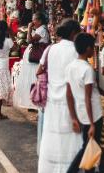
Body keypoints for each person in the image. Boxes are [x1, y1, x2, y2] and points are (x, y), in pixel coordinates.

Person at [38, 19, 83, 173]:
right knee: (71, 141)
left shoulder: (51, 49)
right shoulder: (76, 51)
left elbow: (40, 69)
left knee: (53, 139)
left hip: (52, 103)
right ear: (73, 33)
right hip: (71, 103)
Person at [66, 33, 104, 173]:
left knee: (89, 148)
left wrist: (74, 118)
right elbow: (88, 98)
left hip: (81, 114)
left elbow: (69, 95)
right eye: (92, 47)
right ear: (87, 48)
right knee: (89, 149)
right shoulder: (87, 69)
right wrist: (92, 124)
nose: (93, 50)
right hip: (93, 115)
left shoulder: (70, 67)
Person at [14, 12, 50, 109]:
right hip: (33, 59)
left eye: (34, 19)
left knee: (34, 78)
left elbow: (29, 40)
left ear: (39, 21)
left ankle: (35, 102)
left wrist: (29, 29)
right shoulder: (40, 29)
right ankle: (32, 101)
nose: (32, 22)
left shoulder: (42, 30)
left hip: (36, 59)